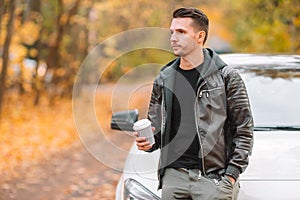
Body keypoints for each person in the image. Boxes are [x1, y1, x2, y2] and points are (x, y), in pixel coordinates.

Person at [134, 7, 253, 200]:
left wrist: (231, 175)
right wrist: (147, 142)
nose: (173, 38)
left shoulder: (226, 77)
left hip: (212, 179)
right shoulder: (164, 78)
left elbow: (244, 129)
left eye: (181, 32)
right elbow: (157, 129)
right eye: (172, 32)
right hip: (173, 178)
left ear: (200, 36)